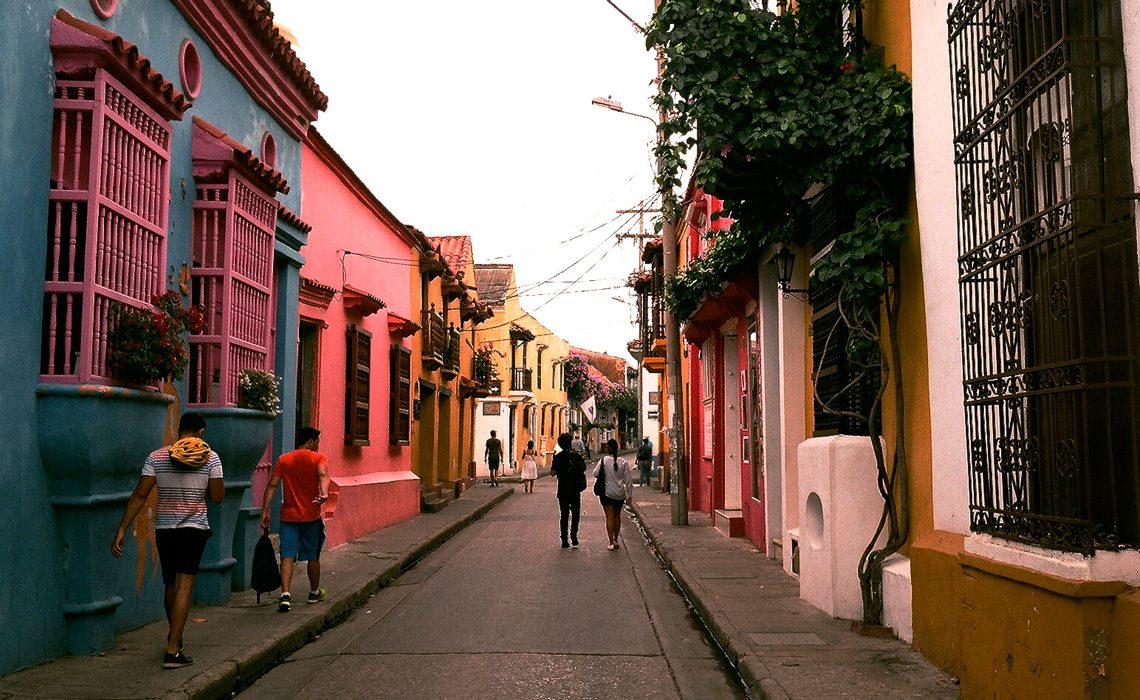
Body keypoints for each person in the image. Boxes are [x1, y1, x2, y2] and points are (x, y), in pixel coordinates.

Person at [112, 412, 224, 670]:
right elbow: (217, 497)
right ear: (201, 432)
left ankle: (176, 635)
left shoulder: (157, 457)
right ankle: (173, 651)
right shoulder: (211, 457)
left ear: (178, 429)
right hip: (193, 530)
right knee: (185, 587)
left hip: (164, 529)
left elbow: (140, 494)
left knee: (170, 585)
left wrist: (121, 529)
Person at [261, 427, 329, 613]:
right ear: (310, 441)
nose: (318, 445)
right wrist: (324, 494)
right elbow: (323, 475)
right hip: (311, 517)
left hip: (288, 517)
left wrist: (265, 511)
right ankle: (314, 592)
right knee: (313, 556)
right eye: (317, 441)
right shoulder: (318, 458)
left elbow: (272, 484)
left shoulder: (284, 459)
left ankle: (285, 594)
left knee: (287, 555)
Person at [592, 438, 632, 551]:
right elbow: (628, 480)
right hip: (620, 494)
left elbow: (595, 474)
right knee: (617, 516)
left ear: (608, 448)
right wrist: (630, 495)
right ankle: (616, 539)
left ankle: (610, 543)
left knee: (609, 517)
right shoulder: (623, 462)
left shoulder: (604, 460)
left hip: (607, 493)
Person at [549, 433, 587, 548]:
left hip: (563, 490)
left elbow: (552, 473)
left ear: (560, 444)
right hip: (575, 489)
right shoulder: (576, 456)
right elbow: (583, 468)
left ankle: (564, 540)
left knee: (564, 515)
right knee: (575, 514)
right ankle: (574, 536)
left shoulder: (558, 456)